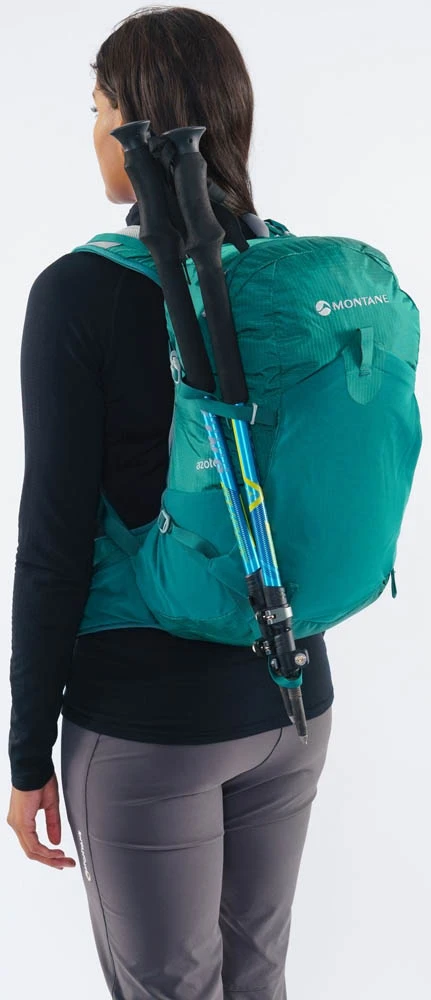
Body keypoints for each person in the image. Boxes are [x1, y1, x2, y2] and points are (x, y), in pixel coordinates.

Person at [7, 7, 334, 999]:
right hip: (295, 700)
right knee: (256, 975)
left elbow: (53, 541)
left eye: (98, 106)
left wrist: (25, 754)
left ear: (135, 122)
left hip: (149, 727)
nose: (93, 129)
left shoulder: (79, 294)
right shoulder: (286, 277)